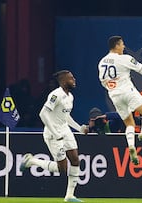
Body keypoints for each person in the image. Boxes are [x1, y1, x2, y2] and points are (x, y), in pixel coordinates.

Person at [20, 70, 89, 202]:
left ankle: (69, 196)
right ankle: (31, 161)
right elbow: (43, 114)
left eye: (73, 78)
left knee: (75, 160)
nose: (74, 80)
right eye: (71, 78)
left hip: (65, 130)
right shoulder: (56, 95)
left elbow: (66, 116)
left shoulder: (70, 97)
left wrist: (79, 128)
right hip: (53, 133)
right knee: (61, 169)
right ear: (63, 81)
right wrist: (56, 133)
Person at [97, 35, 142, 165]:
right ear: (117, 45)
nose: (124, 46)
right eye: (122, 44)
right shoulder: (124, 58)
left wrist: (112, 88)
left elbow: (103, 81)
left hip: (114, 95)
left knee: (129, 124)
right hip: (127, 91)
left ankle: (131, 146)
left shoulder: (102, 62)